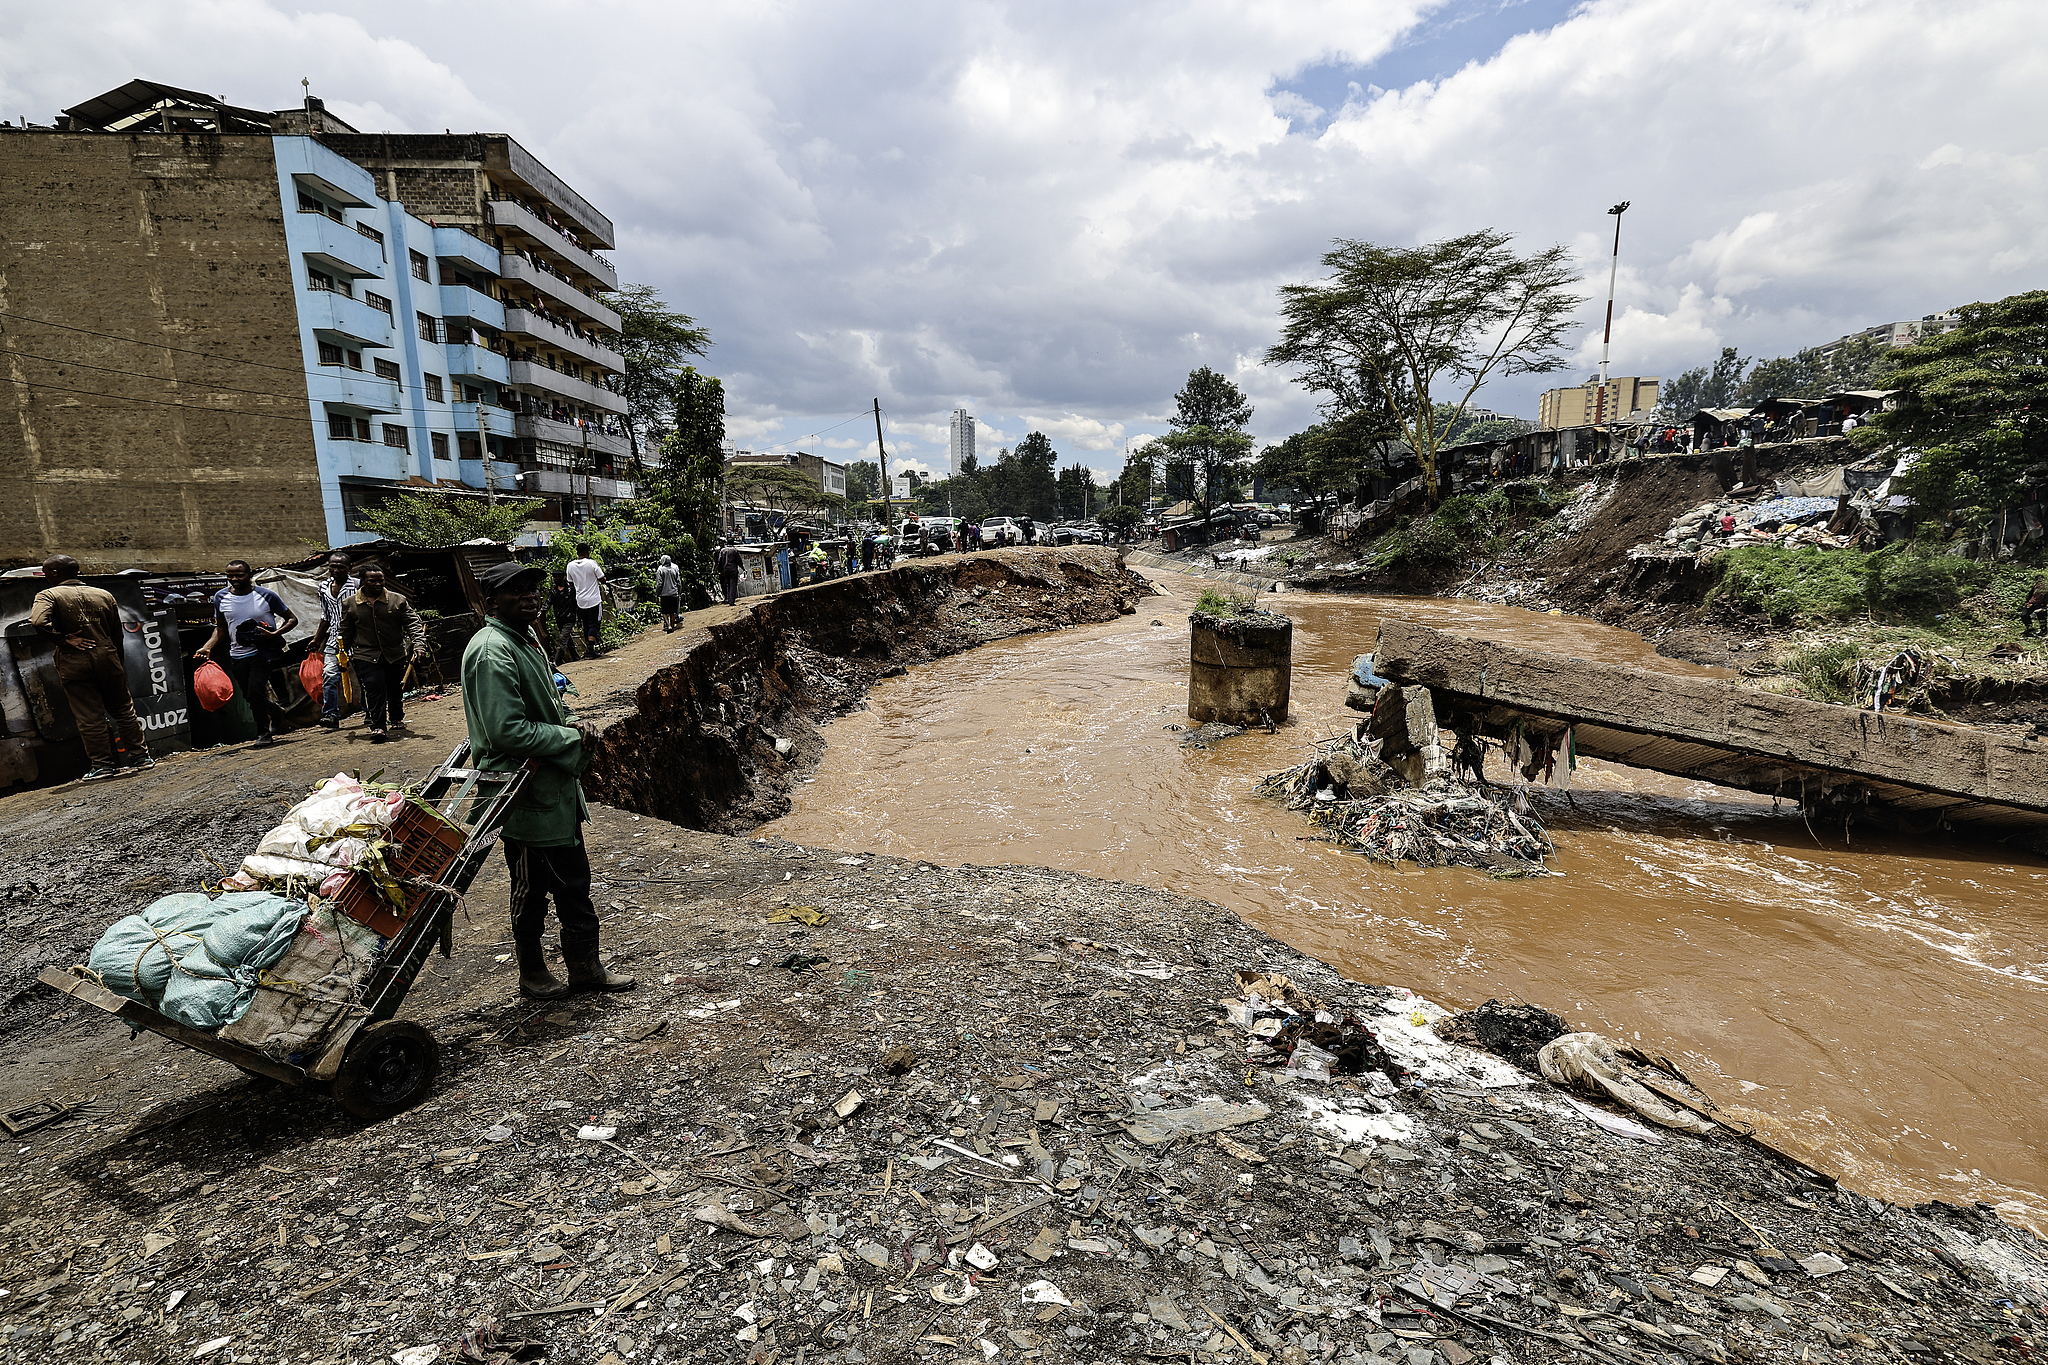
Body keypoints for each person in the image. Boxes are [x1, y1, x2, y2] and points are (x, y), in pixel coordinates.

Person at [462, 560, 634, 999]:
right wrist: (568, 735)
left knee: (575, 885)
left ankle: (585, 968)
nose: (530, 596)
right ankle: (532, 972)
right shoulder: (492, 650)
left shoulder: (527, 639)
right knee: (530, 891)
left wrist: (574, 720)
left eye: (533, 588)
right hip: (523, 796)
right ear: (490, 600)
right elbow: (508, 730)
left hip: (553, 790)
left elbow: (549, 705)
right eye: (515, 590)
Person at [30, 555, 151, 781]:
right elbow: (117, 633)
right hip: (109, 657)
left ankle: (103, 765)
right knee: (124, 710)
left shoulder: (48, 595)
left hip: (76, 661)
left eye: (46, 571)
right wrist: (118, 664)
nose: (44, 576)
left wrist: (65, 639)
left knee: (90, 716)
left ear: (55, 573)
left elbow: (38, 622)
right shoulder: (104, 595)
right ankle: (141, 757)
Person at [195, 559, 298, 748]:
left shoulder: (266, 595)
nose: (234, 579)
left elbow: (291, 619)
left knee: (256, 691)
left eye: (239, 575)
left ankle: (263, 733)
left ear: (249, 575)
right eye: (230, 575)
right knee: (249, 696)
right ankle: (275, 711)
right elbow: (221, 629)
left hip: (263, 653)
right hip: (237, 655)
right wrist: (208, 646)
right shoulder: (220, 597)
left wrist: (274, 634)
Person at [338, 563, 429, 741]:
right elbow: (345, 631)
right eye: (373, 581)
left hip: (394, 652)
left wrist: (419, 645)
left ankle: (396, 716)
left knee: (394, 686)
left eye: (381, 580)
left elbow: (413, 624)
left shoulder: (398, 600)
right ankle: (378, 726)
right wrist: (341, 655)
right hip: (365, 654)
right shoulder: (350, 604)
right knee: (374, 687)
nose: (378, 584)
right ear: (362, 582)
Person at [305, 551, 359, 730]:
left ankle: (371, 712)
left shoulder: (358, 585)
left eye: (340, 567)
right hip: (334, 640)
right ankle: (331, 715)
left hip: (357, 639)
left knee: (364, 676)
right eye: (332, 566)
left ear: (349, 568)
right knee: (329, 675)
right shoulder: (323, 587)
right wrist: (316, 639)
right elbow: (325, 616)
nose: (336, 570)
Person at [564, 542, 605, 654]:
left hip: (580, 601)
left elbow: (570, 583)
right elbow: (602, 579)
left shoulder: (570, 565)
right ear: (588, 552)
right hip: (594, 600)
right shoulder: (592, 563)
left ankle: (588, 649)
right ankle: (591, 649)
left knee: (586, 623)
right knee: (594, 623)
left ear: (577, 553)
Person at [548, 576, 582, 661]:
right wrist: (541, 611)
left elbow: (576, 605)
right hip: (559, 618)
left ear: (563, 577)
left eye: (557, 578)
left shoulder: (570, 590)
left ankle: (557, 661)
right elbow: (548, 602)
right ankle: (576, 657)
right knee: (568, 639)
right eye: (554, 578)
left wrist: (579, 619)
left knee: (563, 638)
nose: (555, 579)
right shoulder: (553, 591)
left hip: (570, 618)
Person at [655, 553, 683, 632]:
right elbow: (679, 583)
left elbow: (659, 584)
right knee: (672, 612)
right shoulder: (674, 569)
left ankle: (668, 625)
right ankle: (673, 627)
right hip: (674, 593)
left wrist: (657, 594)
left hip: (664, 594)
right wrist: (679, 593)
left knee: (664, 612)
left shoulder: (660, 570)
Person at [715, 540, 742, 606]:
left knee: (728, 585)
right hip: (733, 569)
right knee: (733, 585)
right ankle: (731, 601)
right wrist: (743, 568)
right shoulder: (734, 550)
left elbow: (719, 561)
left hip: (725, 570)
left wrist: (720, 570)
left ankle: (729, 599)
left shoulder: (723, 551)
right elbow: (739, 561)